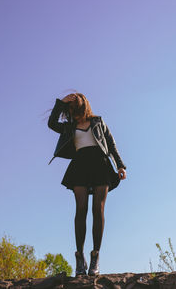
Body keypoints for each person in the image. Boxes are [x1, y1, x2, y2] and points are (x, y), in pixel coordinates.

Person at [47, 93, 127, 277]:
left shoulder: (98, 121)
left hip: (100, 164)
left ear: (84, 107)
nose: (74, 113)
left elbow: (111, 144)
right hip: (80, 165)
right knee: (81, 209)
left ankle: (95, 257)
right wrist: (61, 103)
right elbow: (51, 123)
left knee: (97, 209)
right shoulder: (69, 127)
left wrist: (120, 165)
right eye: (71, 110)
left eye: (77, 108)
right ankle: (79, 258)